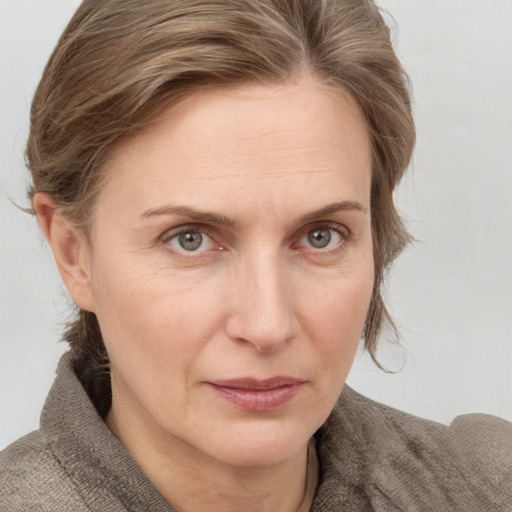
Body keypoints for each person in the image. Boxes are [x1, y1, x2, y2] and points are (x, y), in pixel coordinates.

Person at [1, 0, 511, 510]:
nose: (267, 325)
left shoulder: (487, 488)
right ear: (74, 254)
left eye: (320, 236)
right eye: (190, 239)